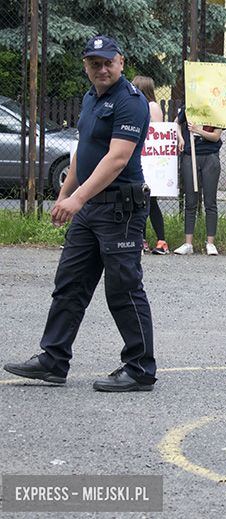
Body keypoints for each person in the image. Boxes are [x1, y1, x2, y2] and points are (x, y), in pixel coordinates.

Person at [3, 35, 156, 391]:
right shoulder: (91, 97)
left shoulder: (131, 102)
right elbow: (82, 151)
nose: (102, 69)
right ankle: (53, 360)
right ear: (86, 66)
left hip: (120, 208)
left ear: (121, 62)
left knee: (123, 289)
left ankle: (140, 369)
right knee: (70, 284)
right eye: (94, 63)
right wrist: (65, 194)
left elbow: (117, 159)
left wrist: (77, 199)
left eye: (108, 62)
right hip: (90, 207)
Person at [173, 106, 224, 255]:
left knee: (210, 201)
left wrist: (198, 131)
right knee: (190, 200)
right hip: (191, 155)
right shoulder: (189, 107)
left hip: (210, 156)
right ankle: (188, 243)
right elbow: (176, 123)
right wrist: (181, 138)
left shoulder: (217, 108)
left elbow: (216, 136)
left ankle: (210, 243)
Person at [132, 75, 168, 255]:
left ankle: (161, 240)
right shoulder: (137, 105)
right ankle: (142, 239)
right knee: (140, 199)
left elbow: (156, 132)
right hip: (140, 157)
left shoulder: (152, 106)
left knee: (150, 200)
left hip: (150, 160)